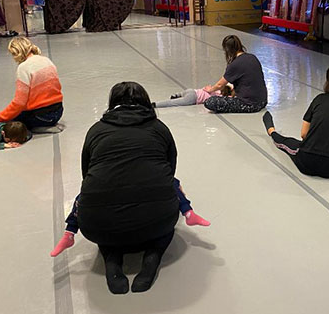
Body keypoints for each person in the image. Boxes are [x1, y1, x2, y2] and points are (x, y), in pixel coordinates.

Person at [74, 82, 197, 294]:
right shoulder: (159, 129)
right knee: (165, 223)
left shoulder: (96, 131)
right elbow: (170, 171)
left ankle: (112, 260)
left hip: (97, 226)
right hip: (156, 221)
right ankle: (152, 257)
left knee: (105, 219)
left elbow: (86, 175)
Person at [50, 179, 211, 258]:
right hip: (149, 220)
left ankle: (69, 232)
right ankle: (188, 212)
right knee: (171, 182)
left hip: (109, 222)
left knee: (85, 194)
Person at [0, 37, 63, 132]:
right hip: (58, 111)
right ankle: (48, 123)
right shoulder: (46, 60)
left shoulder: (23, 68)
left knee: (8, 124)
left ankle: (40, 127)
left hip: (41, 117)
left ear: (16, 53)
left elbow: (19, 103)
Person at [203, 35, 267, 113]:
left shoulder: (235, 64)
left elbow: (220, 85)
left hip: (250, 104)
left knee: (210, 102)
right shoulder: (252, 57)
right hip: (263, 101)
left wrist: (210, 89)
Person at [154, 85, 233, 108]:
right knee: (172, 103)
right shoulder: (222, 97)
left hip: (192, 91)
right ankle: (155, 104)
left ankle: (178, 94)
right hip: (193, 98)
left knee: (184, 93)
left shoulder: (215, 90)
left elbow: (205, 88)